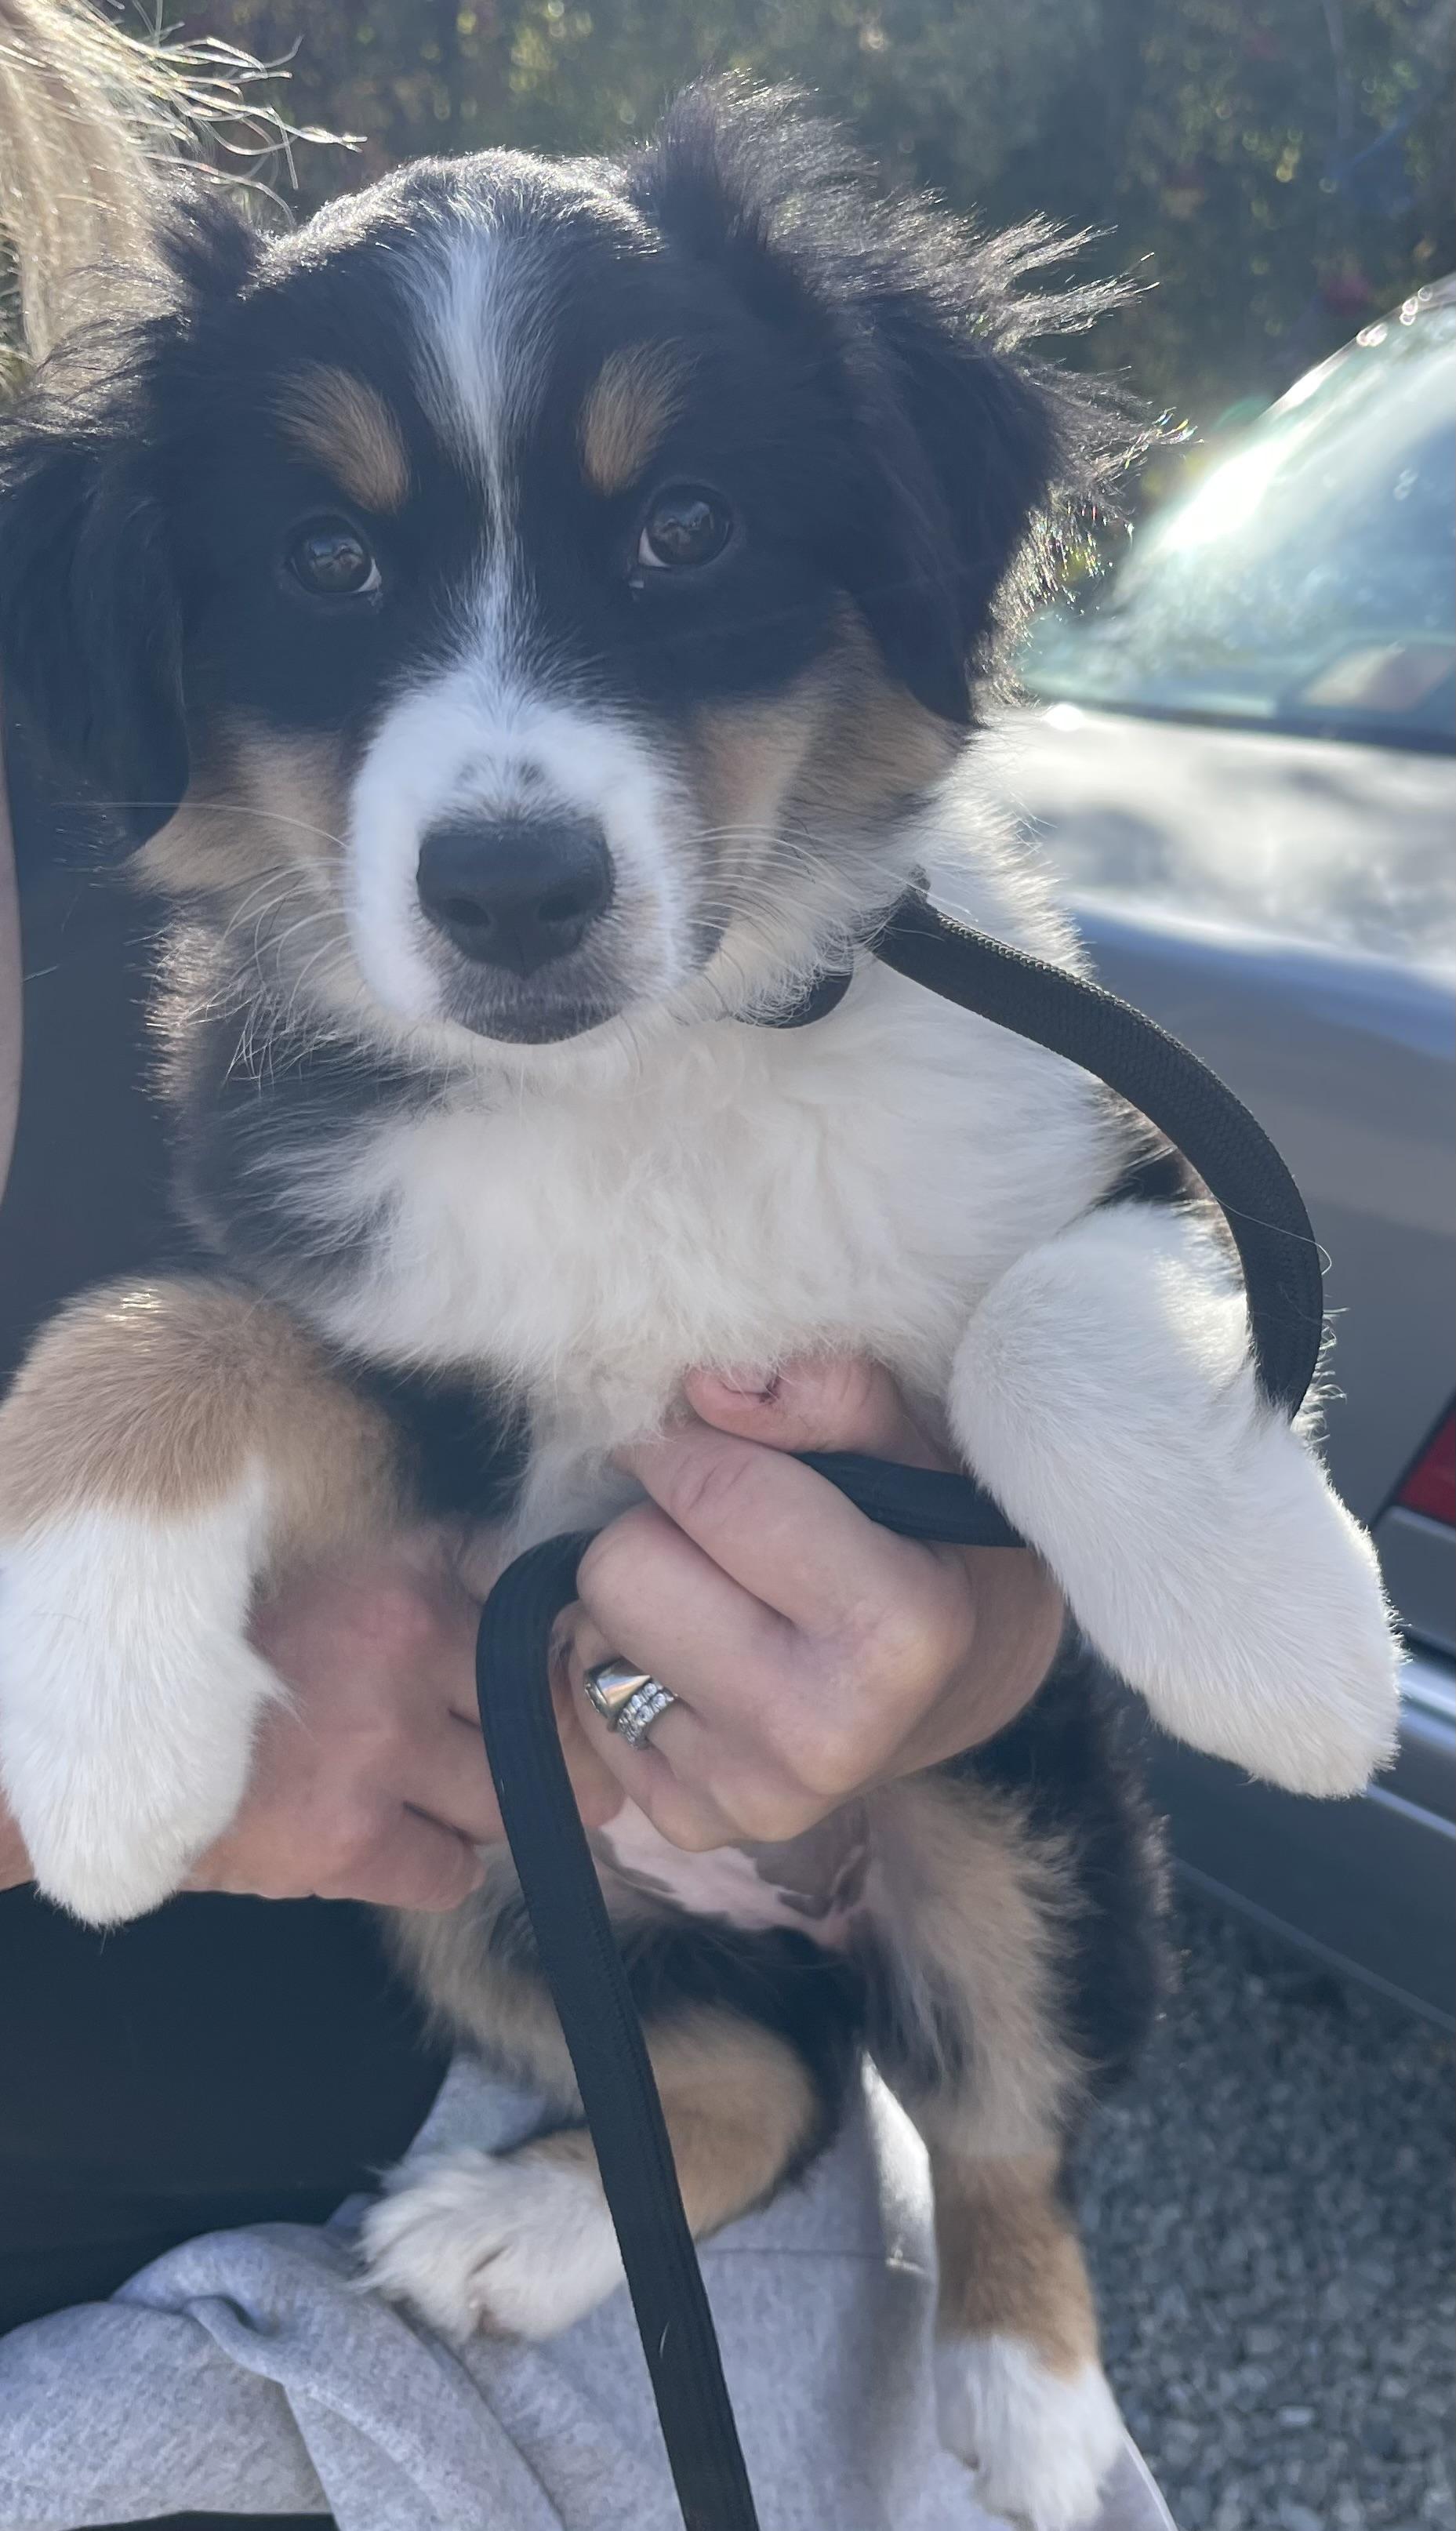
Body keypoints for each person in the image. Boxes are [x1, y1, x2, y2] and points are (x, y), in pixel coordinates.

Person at [0, 9, 1173, 2524]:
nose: (506, 777)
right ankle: (746, 2118)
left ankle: (1011, 2232)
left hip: (503, 2158)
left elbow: (1025, 1482)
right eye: (333, 571)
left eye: (672, 542)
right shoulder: (133, 620)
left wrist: (953, 1629)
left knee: (1001, 1903)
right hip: (249, 2228)